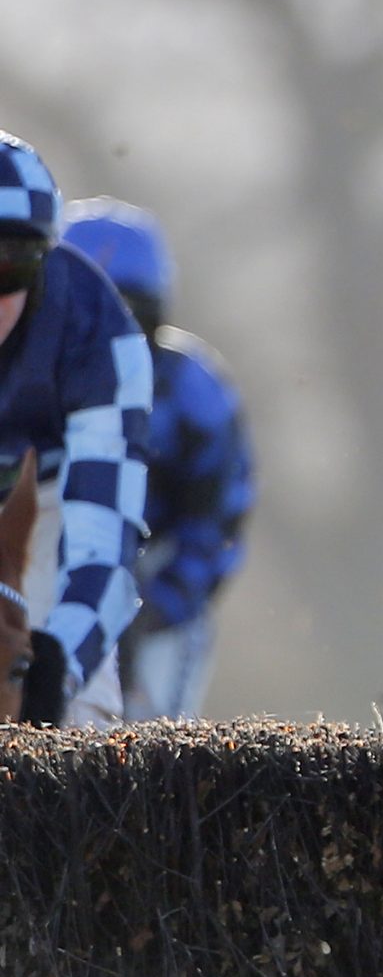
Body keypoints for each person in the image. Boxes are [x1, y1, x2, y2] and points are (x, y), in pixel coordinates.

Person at [62, 197, 254, 720]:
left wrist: (159, 605)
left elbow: (219, 519)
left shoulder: (194, 389)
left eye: (129, 311)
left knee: (150, 757)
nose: (109, 331)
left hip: (159, 594)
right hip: (52, 585)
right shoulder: (34, 379)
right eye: (88, 309)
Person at [0, 133, 153, 725]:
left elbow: (101, 540)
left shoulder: (100, 336)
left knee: (78, 711)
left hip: (50, 494)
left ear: (44, 262)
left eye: (8, 264)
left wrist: (60, 662)